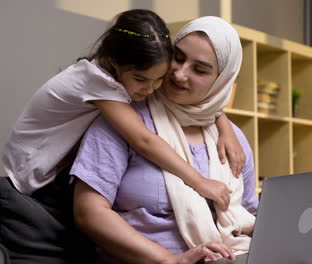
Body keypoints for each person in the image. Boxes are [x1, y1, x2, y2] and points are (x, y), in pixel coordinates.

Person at [0, 9, 244, 264]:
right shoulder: (98, 82)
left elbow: (201, 105)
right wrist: (199, 181)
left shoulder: (128, 83)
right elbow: (144, 140)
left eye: (160, 79)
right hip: (26, 190)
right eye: (142, 79)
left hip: (53, 184)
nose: (151, 89)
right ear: (114, 63)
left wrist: (222, 123)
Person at [72, 16, 258, 264]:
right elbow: (89, 213)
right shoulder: (123, 122)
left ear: (222, 81)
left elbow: (250, 216)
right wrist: (169, 259)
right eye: (178, 58)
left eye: (200, 70)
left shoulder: (232, 138)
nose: (179, 74)